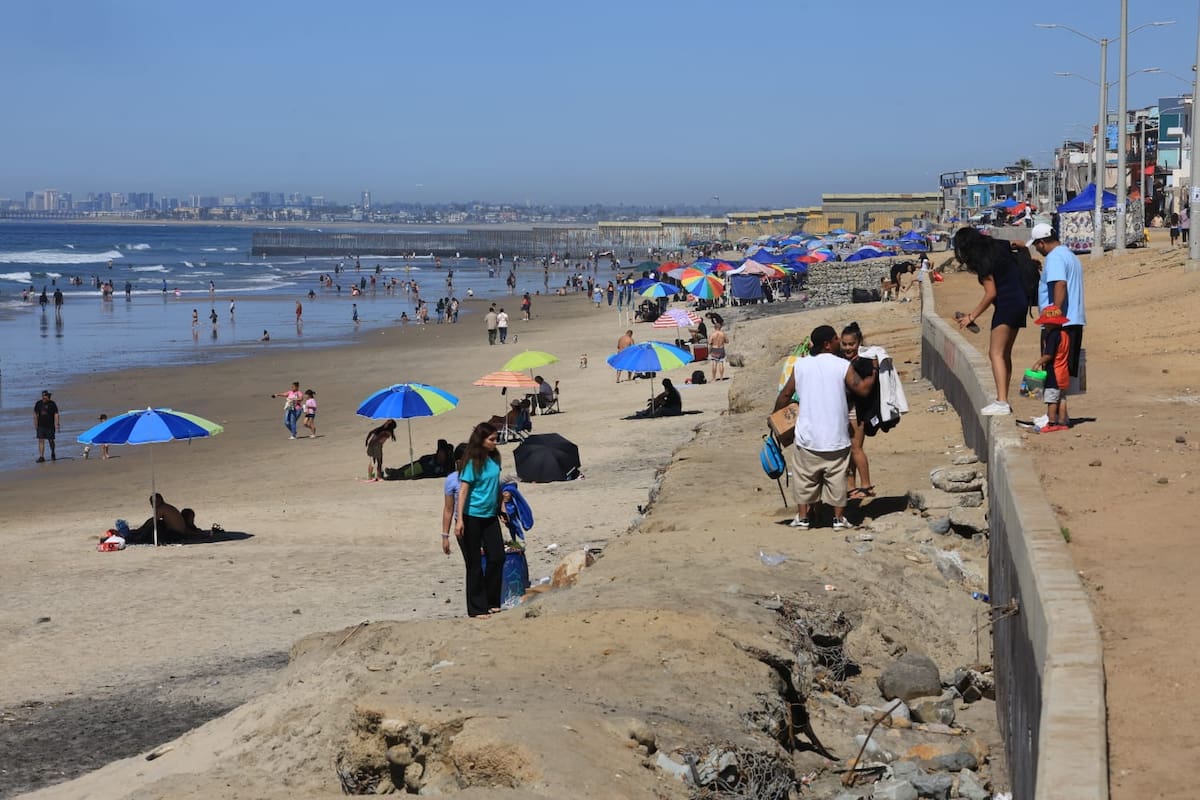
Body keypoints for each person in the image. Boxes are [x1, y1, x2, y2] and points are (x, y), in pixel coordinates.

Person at [773, 325, 877, 530]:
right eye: (836, 338)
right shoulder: (841, 365)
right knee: (837, 479)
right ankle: (838, 519)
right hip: (836, 436)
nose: (839, 340)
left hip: (807, 437)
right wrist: (874, 368)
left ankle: (803, 518)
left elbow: (785, 395)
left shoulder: (801, 366)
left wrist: (774, 417)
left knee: (804, 479)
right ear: (827, 344)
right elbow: (862, 389)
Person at [953, 227, 1027, 415]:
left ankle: (1001, 402)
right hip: (1021, 301)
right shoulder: (1000, 245)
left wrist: (971, 316)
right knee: (1004, 353)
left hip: (1006, 304)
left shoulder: (982, 260)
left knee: (995, 353)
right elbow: (1018, 246)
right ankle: (1003, 398)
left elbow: (991, 293)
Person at [1029, 222, 1086, 423]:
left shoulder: (1054, 258)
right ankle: (1062, 416)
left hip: (1060, 323)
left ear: (1042, 243)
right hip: (1075, 320)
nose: (1036, 249)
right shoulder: (1069, 255)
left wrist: (1054, 314)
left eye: (1036, 245)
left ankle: (1051, 417)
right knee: (1064, 371)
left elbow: (1059, 284)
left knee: (1052, 369)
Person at [454, 423, 506, 617]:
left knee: (497, 557)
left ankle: (492, 601)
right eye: (491, 439)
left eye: (496, 439)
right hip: (472, 516)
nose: (495, 442)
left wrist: (501, 505)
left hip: (490, 515)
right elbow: (463, 490)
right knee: (474, 564)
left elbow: (496, 484)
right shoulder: (472, 462)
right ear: (481, 440)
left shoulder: (494, 458)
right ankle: (477, 608)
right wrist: (459, 520)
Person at [840, 322, 875, 500]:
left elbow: (865, 388)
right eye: (844, 344)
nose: (848, 348)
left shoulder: (863, 362)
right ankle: (851, 486)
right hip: (846, 410)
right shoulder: (843, 360)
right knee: (849, 449)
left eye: (851, 344)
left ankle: (866, 485)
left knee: (856, 448)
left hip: (857, 411)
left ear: (859, 342)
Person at [1030, 305, 1071, 432]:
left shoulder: (1053, 336)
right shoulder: (1065, 334)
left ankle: (1052, 423)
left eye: (1046, 324)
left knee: (1051, 400)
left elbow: (1049, 354)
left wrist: (1038, 363)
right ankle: (1062, 422)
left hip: (1054, 372)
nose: (1045, 326)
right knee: (1062, 398)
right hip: (1064, 372)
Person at [441, 443, 469, 556]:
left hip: (480, 520)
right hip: (462, 524)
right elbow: (448, 509)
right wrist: (445, 537)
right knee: (471, 562)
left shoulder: (479, 475)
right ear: (458, 462)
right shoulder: (451, 480)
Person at [34, 390, 60, 463]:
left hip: (50, 426)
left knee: (51, 440)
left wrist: (57, 423)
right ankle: (41, 457)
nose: (44, 398)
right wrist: (35, 425)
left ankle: (53, 452)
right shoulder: (38, 404)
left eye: (46, 397)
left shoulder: (52, 404)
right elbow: (36, 414)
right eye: (43, 397)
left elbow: (56, 414)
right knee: (41, 440)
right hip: (41, 426)